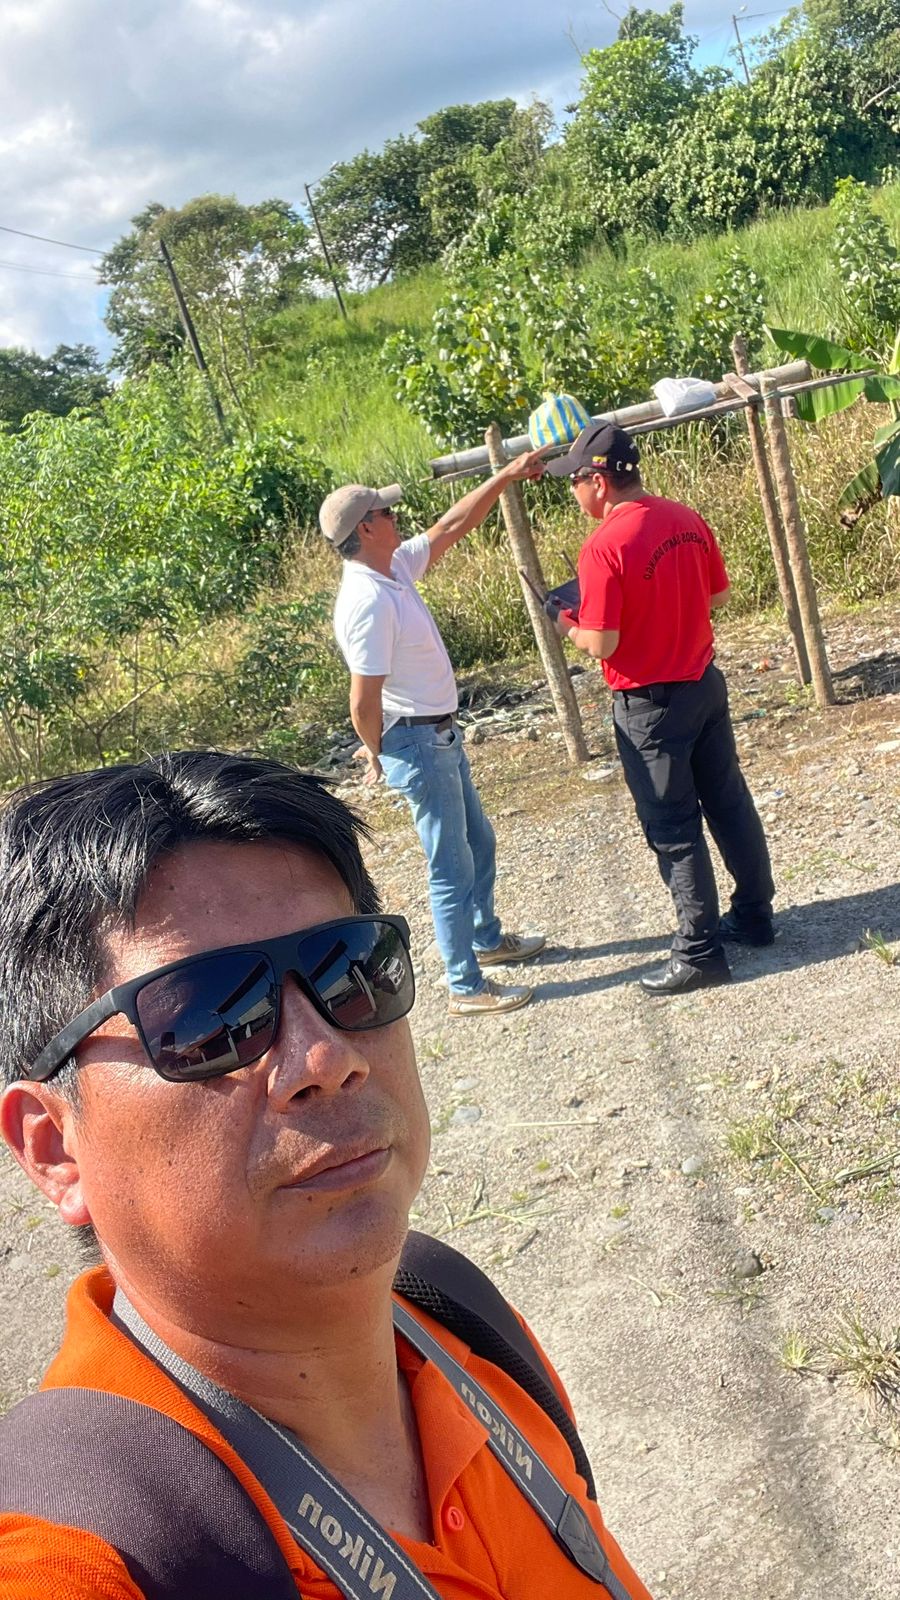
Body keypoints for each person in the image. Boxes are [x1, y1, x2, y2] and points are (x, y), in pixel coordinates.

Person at [0, 751, 651, 1600]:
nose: (325, 1058)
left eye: (350, 970)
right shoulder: (85, 1559)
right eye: (211, 1015)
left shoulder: (457, 1324)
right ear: (54, 1148)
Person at [545, 422, 774, 994]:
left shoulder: (603, 545)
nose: (573, 492)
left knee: (673, 828)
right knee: (728, 802)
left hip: (649, 703)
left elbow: (602, 643)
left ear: (598, 481)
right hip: (703, 683)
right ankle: (755, 914)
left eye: (574, 481)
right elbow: (718, 595)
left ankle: (699, 951)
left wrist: (565, 621)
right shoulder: (685, 518)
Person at [320, 461, 547, 1018]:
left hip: (438, 735)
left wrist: (505, 476)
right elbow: (362, 699)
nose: (396, 517)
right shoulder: (369, 601)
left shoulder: (392, 567)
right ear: (365, 528)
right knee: (451, 866)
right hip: (418, 743)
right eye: (386, 512)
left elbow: (450, 526)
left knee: (479, 843)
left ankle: (485, 940)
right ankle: (465, 985)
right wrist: (376, 751)